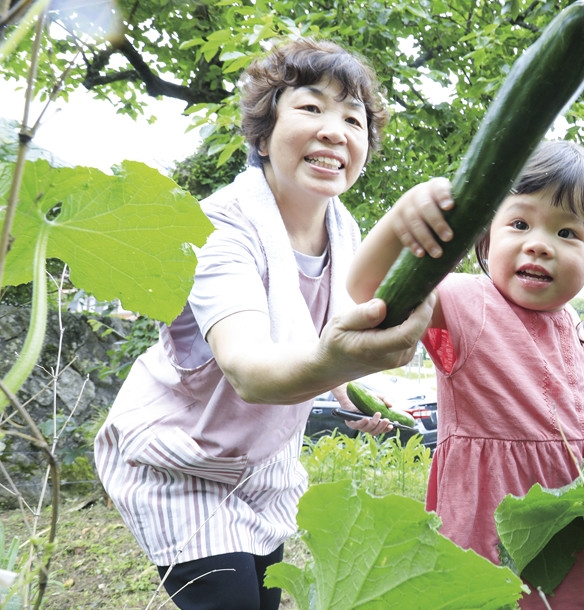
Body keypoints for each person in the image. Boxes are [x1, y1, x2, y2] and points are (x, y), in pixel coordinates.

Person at [94, 38, 433, 610]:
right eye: (310, 108)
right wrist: (341, 360)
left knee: (264, 602)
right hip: (179, 463)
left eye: (353, 118)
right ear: (262, 133)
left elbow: (324, 338)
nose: (334, 130)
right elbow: (250, 369)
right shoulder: (220, 231)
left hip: (263, 469)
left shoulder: (346, 233)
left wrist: (351, 394)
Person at [347, 140, 584, 609]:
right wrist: (400, 219)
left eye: (568, 233)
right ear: (486, 239)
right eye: (519, 224)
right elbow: (366, 290)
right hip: (494, 518)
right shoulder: (467, 300)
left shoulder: (571, 320)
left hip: (570, 519)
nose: (538, 243)